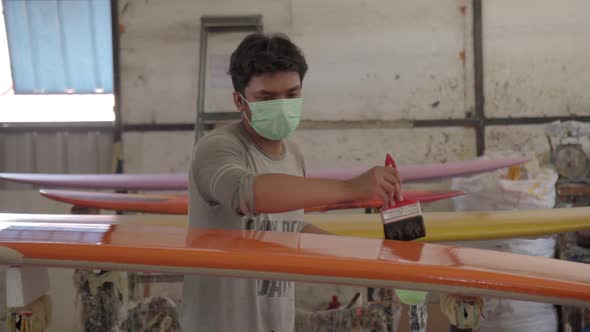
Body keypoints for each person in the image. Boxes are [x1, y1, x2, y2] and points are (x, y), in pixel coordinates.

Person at [180, 33, 402, 332]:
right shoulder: (217, 148)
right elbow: (249, 194)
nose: (282, 106)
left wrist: (366, 256)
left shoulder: (293, 154)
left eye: (292, 94)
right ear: (239, 100)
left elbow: (289, 228)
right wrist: (350, 188)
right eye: (267, 98)